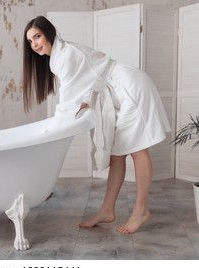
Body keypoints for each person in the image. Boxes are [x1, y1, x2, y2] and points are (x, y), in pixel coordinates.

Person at [22, 15, 171, 234]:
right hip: (117, 91)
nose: (35, 44)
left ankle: (141, 211)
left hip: (130, 88)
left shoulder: (65, 56)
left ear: (49, 33)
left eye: (38, 36)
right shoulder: (59, 56)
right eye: (30, 41)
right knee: (117, 153)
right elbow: (82, 87)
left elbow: (67, 102)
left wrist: (51, 131)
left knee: (138, 150)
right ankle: (107, 210)